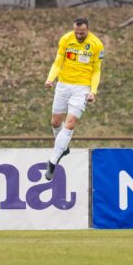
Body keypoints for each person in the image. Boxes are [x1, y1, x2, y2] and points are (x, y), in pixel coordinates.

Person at [44, 17, 104, 180]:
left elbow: (96, 70)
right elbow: (58, 62)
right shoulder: (65, 39)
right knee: (56, 122)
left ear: (88, 29)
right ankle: (63, 148)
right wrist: (51, 79)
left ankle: (53, 161)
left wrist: (93, 91)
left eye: (82, 33)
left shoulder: (96, 44)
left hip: (82, 88)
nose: (78, 35)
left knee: (70, 123)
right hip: (63, 85)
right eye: (76, 32)